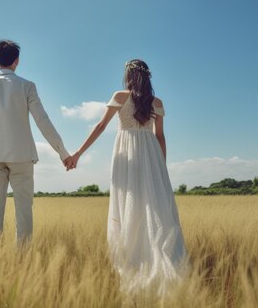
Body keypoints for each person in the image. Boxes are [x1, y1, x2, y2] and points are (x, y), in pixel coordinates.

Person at [68, 59, 189, 295]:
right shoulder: (157, 102)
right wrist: (161, 168)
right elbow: (160, 136)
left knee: (128, 204)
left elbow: (101, 127)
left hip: (126, 152)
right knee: (154, 204)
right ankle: (159, 257)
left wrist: (78, 154)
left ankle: (134, 261)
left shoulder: (121, 96)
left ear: (128, 76)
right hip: (151, 154)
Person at [0, 39, 74, 244]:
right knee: (24, 207)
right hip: (22, 156)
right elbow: (43, 121)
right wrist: (63, 152)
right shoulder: (27, 86)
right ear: (17, 61)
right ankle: (23, 258)